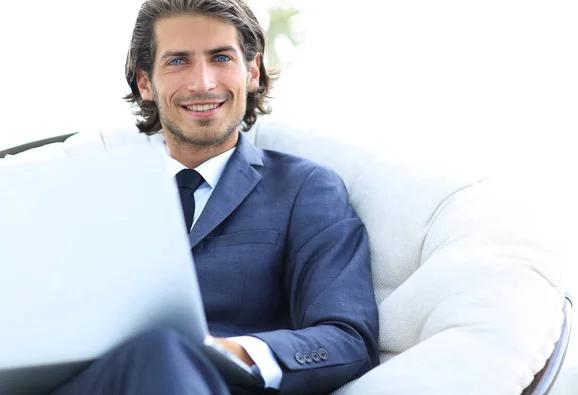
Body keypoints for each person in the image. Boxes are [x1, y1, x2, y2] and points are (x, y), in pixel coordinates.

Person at [50, 0, 379, 394]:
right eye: (177, 62)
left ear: (252, 72)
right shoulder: (85, 195)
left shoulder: (306, 189)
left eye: (220, 57)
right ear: (145, 83)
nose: (203, 83)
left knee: (163, 350)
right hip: (95, 383)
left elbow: (348, 339)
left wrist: (225, 351)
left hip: (219, 384)